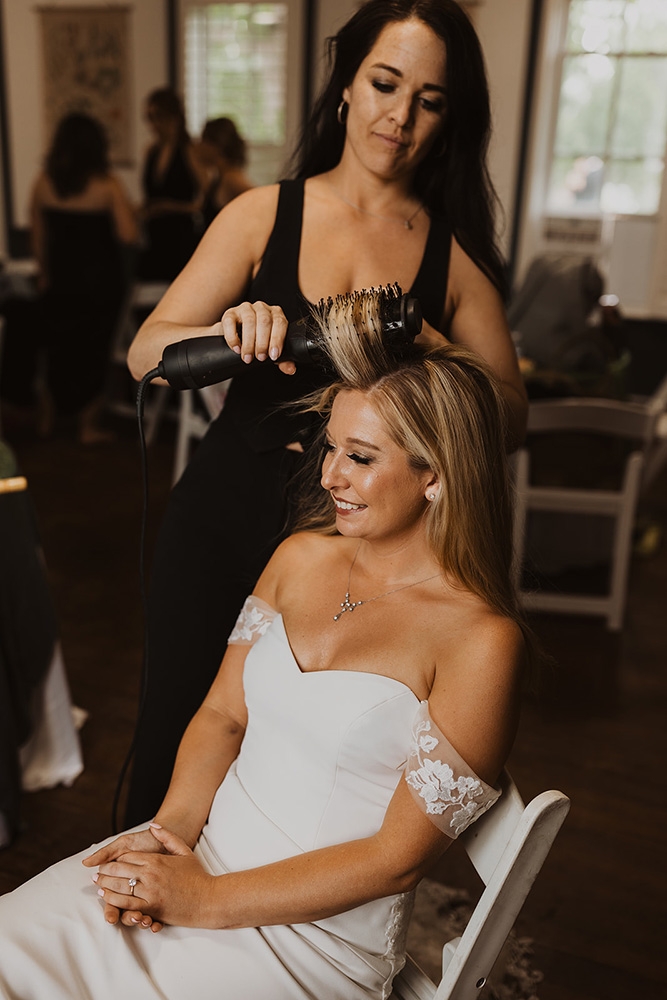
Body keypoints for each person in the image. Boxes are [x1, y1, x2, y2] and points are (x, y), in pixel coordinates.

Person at [0, 294, 530, 1000]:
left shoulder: (480, 641)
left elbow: (393, 861)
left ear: (435, 473)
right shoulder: (300, 557)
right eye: (330, 447)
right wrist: (170, 834)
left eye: (360, 457)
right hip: (201, 856)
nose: (328, 476)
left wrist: (200, 902)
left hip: (312, 943)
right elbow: (223, 715)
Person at [122, 0, 529, 826]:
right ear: (346, 84)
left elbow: (508, 415)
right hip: (222, 515)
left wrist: (425, 337)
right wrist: (227, 329)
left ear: (448, 118)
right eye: (384, 83)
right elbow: (146, 352)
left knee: (295, 756)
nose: (399, 116)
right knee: (177, 722)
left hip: (348, 540)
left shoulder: (449, 258)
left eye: (429, 99)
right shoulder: (262, 215)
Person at [29, 112, 138, 443]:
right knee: (95, 352)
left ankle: (48, 418)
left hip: (60, 282)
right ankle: (87, 426)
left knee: (57, 349)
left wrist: (45, 273)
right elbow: (129, 234)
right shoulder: (107, 185)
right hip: (100, 287)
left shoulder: (44, 182)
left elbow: (37, 232)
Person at [137, 87, 208, 282]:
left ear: (174, 117)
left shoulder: (189, 151)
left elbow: (205, 200)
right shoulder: (151, 151)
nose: (153, 124)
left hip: (180, 238)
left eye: (158, 117)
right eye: (149, 118)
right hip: (154, 237)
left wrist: (171, 207)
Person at [197, 117, 253, 229]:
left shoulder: (231, 178)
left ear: (216, 145)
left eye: (203, 141)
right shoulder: (219, 176)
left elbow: (260, 201)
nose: (199, 146)